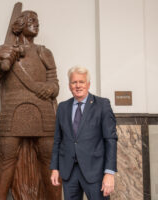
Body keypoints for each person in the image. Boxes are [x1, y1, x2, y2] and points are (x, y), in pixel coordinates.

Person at [0, 11, 61, 200]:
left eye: (37, 21)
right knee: (6, 159)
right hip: (13, 110)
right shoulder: (4, 50)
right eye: (31, 20)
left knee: (49, 159)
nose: (36, 24)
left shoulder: (44, 52)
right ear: (20, 25)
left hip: (43, 112)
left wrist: (48, 89)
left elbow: (55, 85)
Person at [50, 66, 118, 200]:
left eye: (81, 82)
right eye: (74, 82)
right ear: (69, 86)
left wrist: (109, 172)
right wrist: (55, 168)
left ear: (88, 84)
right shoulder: (63, 107)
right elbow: (58, 140)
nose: (78, 86)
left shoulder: (102, 105)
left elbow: (110, 139)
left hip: (95, 172)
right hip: (69, 172)